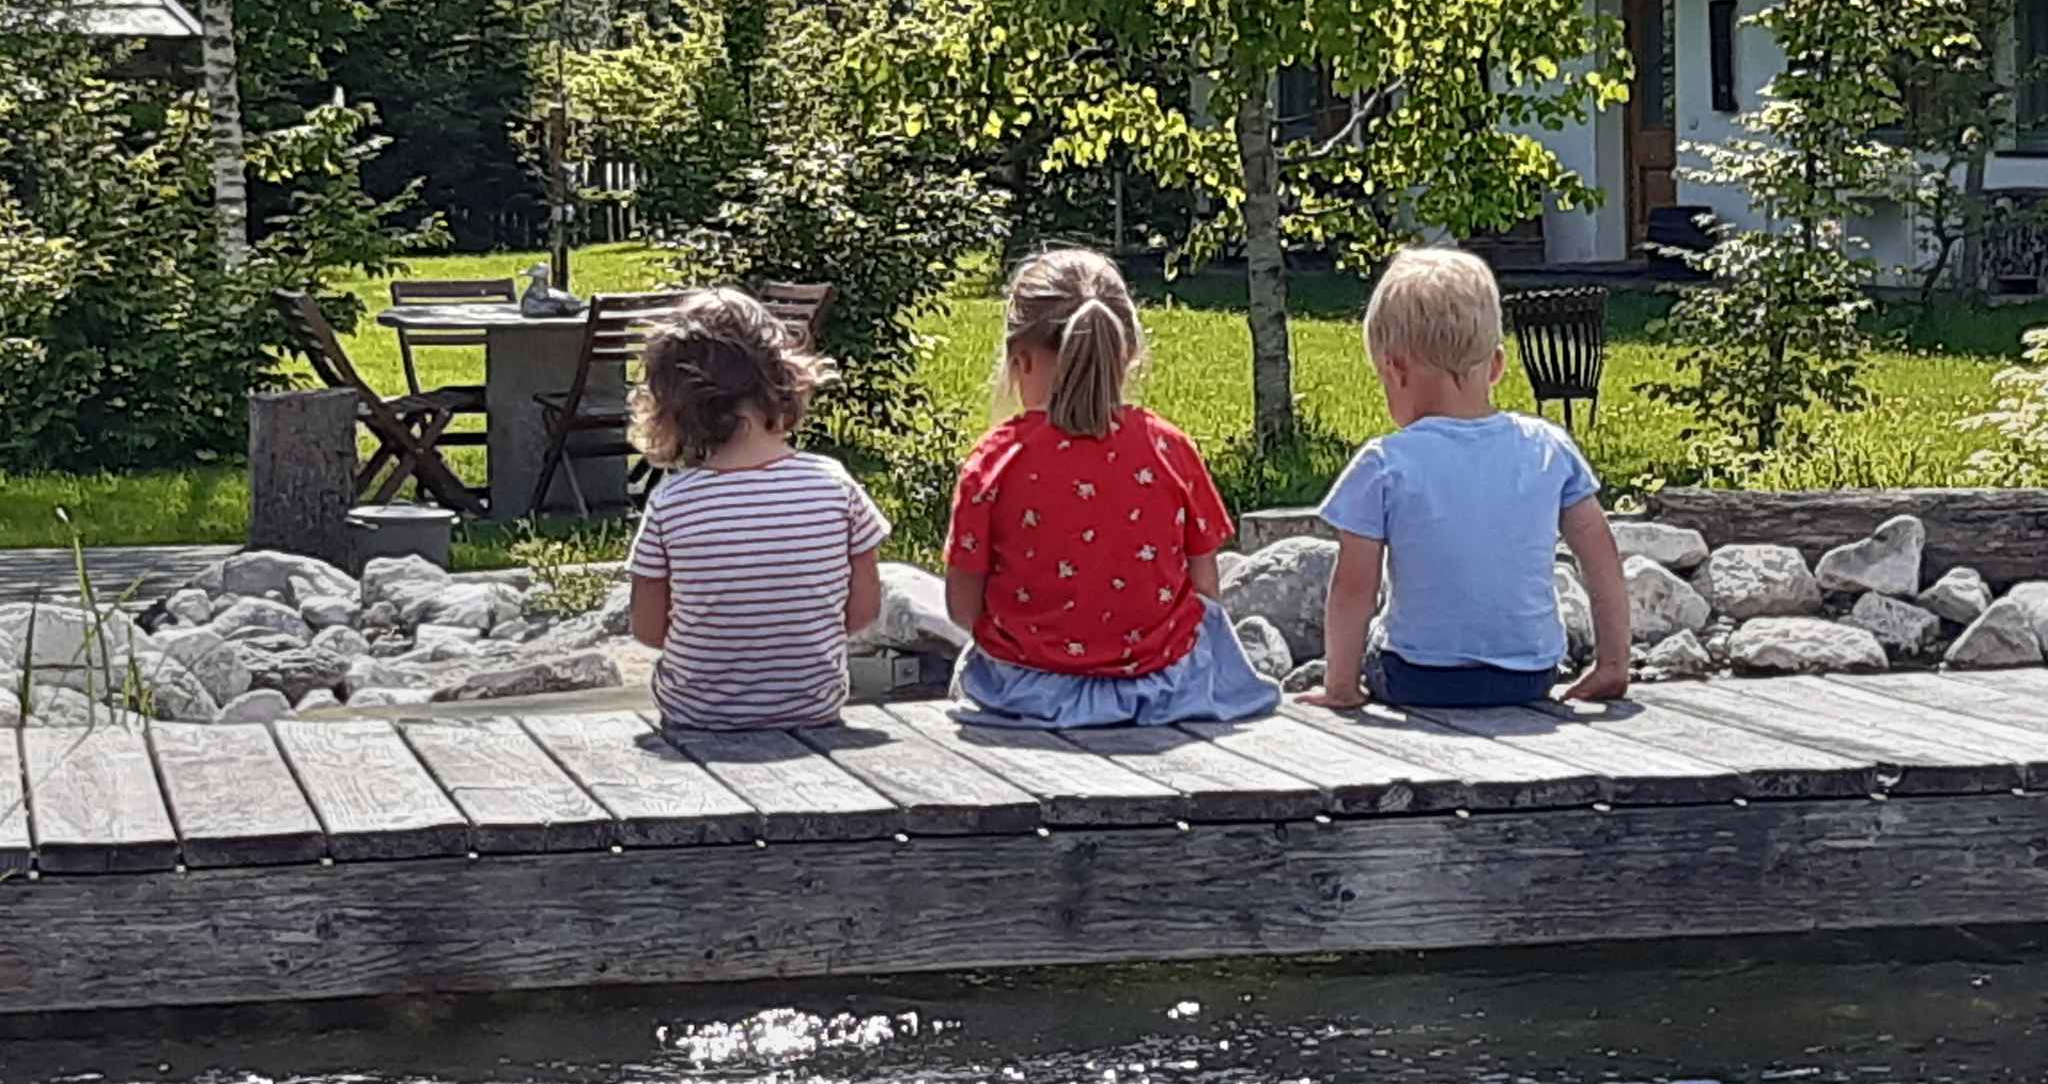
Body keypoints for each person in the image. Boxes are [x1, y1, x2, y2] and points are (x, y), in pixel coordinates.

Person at [943, 249, 1279, 728]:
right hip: (1163, 685)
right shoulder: (1168, 447)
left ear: (1021, 360)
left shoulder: (996, 460)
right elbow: (1206, 587)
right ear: (1128, 353)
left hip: (1028, 691)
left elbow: (963, 609)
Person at [1302, 248, 1630, 710]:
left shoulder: (1385, 463)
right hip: (1530, 674)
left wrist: (1340, 686)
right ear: (1496, 366)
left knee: (1382, 633)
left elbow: (1354, 586)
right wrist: (1612, 664)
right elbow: (1601, 557)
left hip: (1419, 677)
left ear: (1394, 370)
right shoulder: (1548, 447)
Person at [627, 288, 888, 731]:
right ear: (786, 382)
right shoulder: (835, 485)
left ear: (671, 408)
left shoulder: (671, 503)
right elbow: (863, 612)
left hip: (699, 717)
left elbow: (648, 630)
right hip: (812, 710)